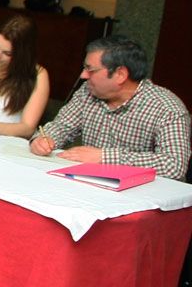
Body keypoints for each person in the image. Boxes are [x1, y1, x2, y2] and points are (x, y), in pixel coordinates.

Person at [29, 35, 190, 179]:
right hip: (87, 182)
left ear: (120, 74)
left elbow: (174, 164)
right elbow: (61, 127)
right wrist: (43, 140)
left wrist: (105, 157)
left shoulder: (166, 108)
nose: (83, 75)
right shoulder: (88, 92)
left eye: (90, 69)